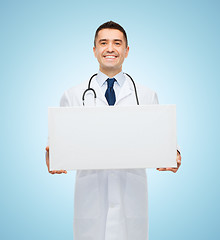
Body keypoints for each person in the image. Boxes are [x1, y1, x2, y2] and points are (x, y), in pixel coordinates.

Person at [45, 21, 181, 240]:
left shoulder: (146, 95)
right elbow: (56, 142)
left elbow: (162, 138)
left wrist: (173, 154)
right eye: (103, 43)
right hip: (90, 195)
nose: (110, 48)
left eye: (117, 43)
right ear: (94, 50)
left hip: (132, 195)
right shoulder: (73, 95)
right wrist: (52, 156)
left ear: (126, 51)